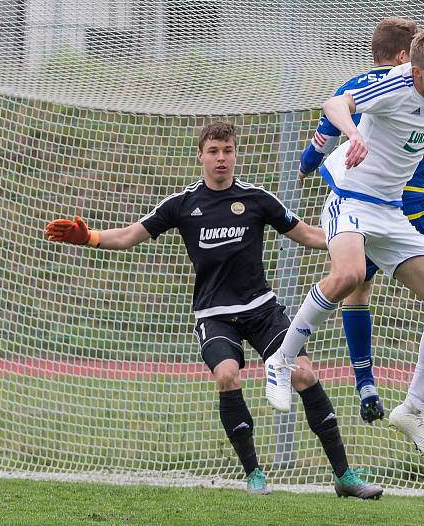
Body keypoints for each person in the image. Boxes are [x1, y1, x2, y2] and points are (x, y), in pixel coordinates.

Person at [44, 121, 383, 499]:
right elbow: (127, 236)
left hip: (262, 310)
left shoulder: (257, 199)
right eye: (213, 151)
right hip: (214, 315)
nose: (221, 158)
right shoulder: (182, 204)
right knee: (227, 375)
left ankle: (344, 476)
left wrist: (356, 241)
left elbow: (309, 235)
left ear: (235, 154)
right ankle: (254, 474)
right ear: (201, 156)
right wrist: (88, 237)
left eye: (227, 151)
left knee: (303, 374)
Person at [264, 31, 424, 462]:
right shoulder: (394, 84)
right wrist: (352, 134)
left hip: (391, 212)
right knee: (350, 275)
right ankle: (282, 360)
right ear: (415, 71)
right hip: (350, 198)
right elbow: (334, 104)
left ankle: (413, 410)